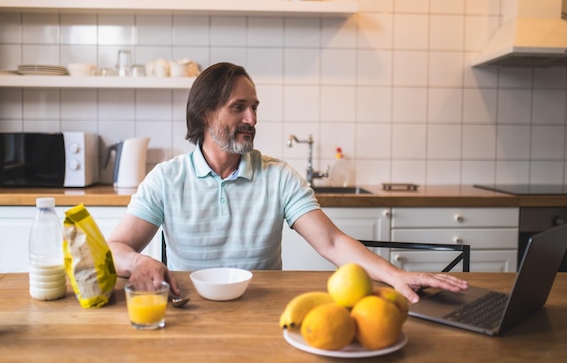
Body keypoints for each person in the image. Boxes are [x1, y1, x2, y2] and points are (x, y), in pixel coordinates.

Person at [107, 62, 468, 303]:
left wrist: (395, 275)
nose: (252, 118)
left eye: (255, 107)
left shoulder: (277, 176)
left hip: (263, 309)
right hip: (192, 309)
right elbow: (117, 246)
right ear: (205, 114)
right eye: (238, 107)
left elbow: (331, 242)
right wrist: (139, 262)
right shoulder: (167, 178)